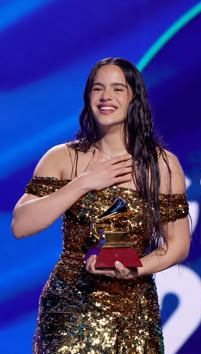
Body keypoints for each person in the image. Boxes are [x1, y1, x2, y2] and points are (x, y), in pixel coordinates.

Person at [11, 57, 190, 354]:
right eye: (98, 89)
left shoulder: (162, 165)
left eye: (117, 89)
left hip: (135, 312)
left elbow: (178, 244)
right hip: (70, 309)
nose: (106, 97)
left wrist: (136, 268)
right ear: (88, 98)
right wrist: (83, 182)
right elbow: (21, 224)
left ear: (134, 98)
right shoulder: (63, 158)